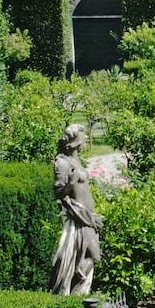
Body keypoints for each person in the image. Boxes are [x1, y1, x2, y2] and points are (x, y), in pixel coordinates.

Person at [49, 124, 103, 295]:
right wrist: (70, 183)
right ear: (74, 143)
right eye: (82, 137)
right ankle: (73, 296)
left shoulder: (75, 160)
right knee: (94, 257)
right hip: (80, 219)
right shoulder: (62, 163)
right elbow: (58, 192)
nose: (85, 140)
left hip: (87, 217)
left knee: (89, 258)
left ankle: (77, 295)